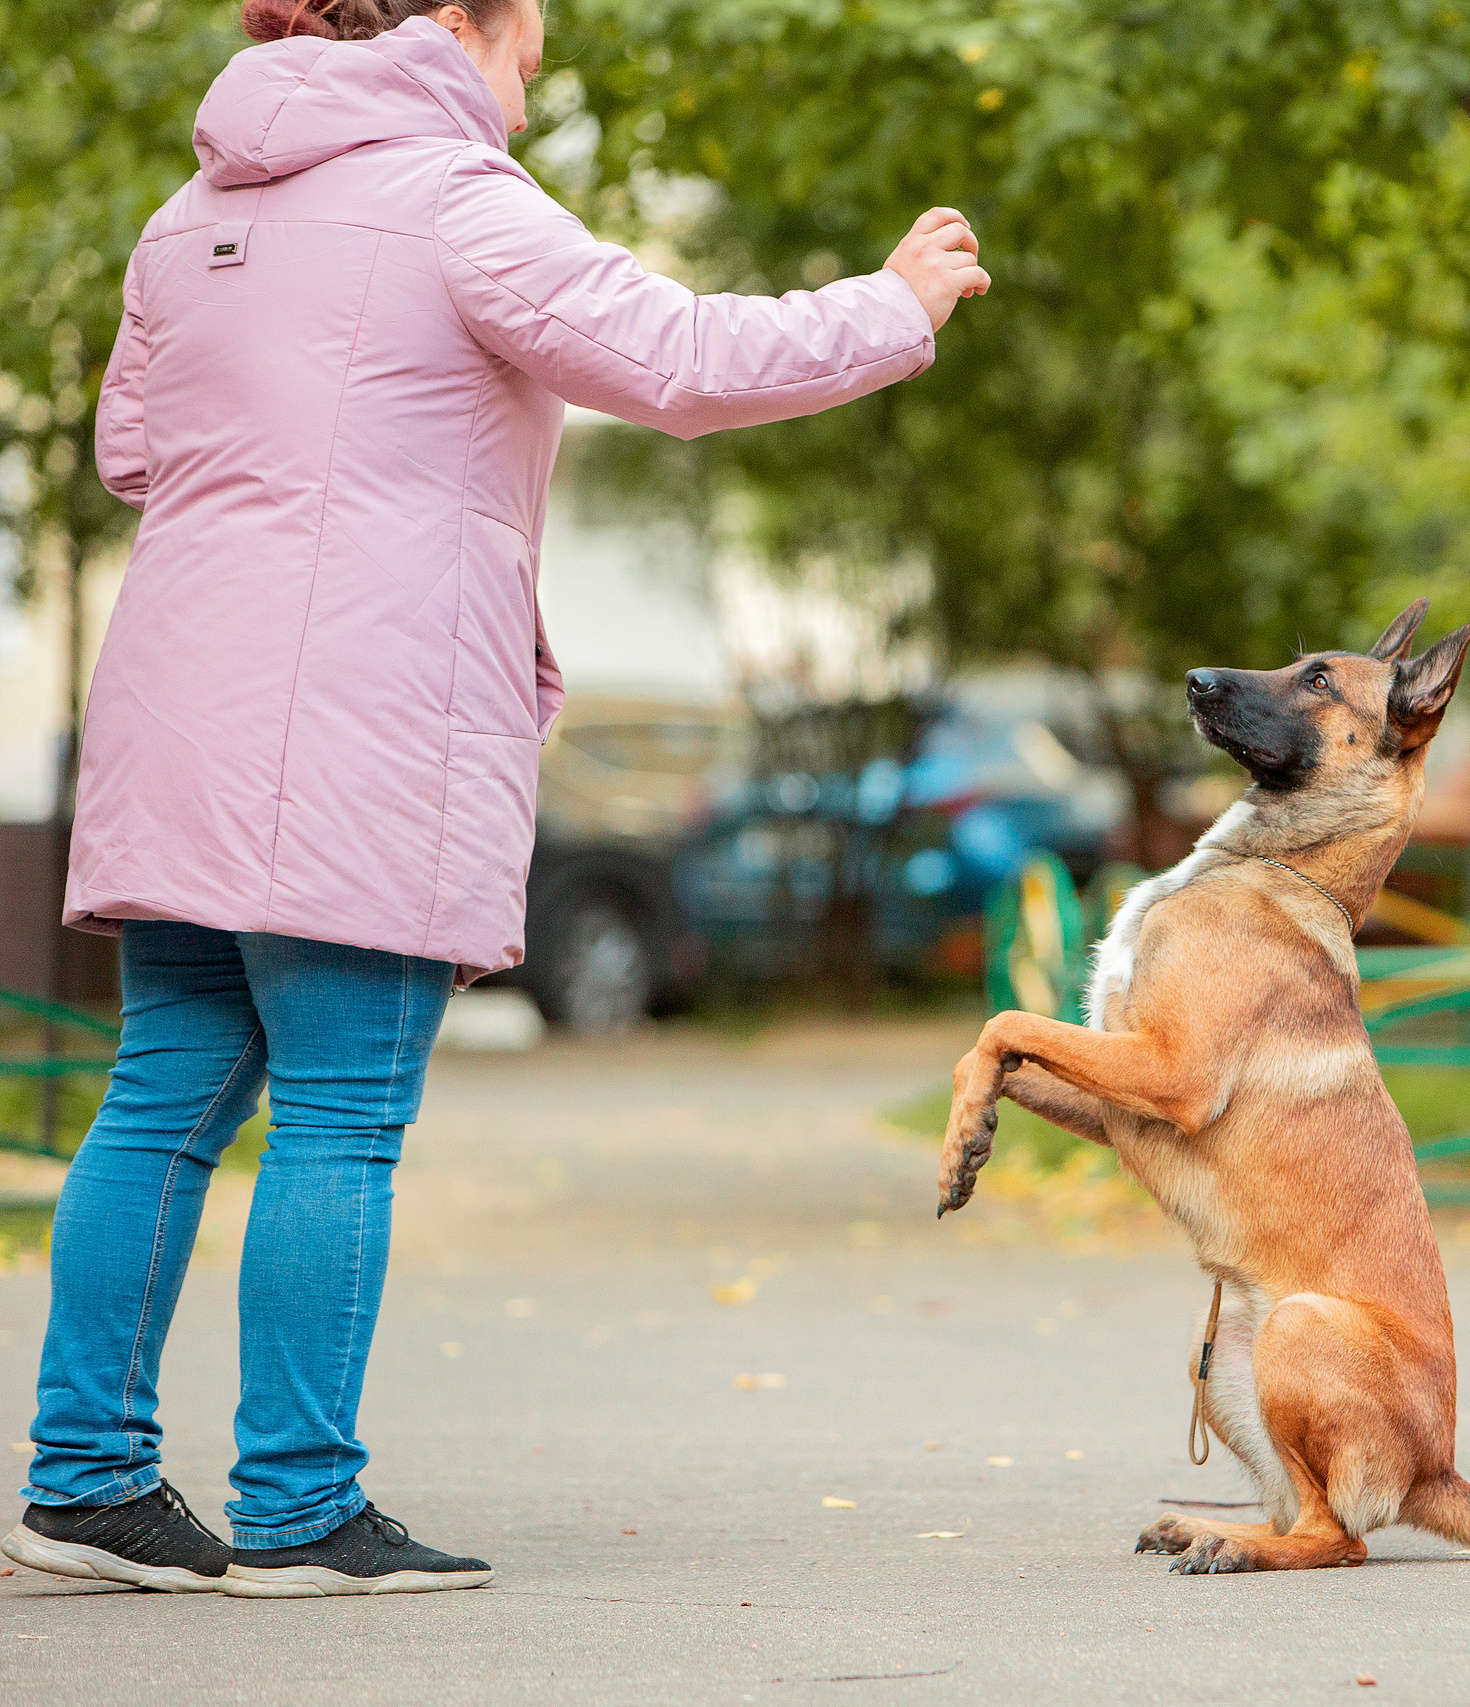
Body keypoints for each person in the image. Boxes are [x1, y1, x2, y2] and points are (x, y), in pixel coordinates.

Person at [2, 0, 985, 1597]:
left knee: (162, 1095)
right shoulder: (454, 199)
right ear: (463, 20)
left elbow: (131, 450)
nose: (536, 60)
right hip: (363, 723)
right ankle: (301, 1507)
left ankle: (84, 1480)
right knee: (339, 1110)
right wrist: (890, 302)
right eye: (529, 26)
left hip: (176, 708)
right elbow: (675, 361)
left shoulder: (186, 220)